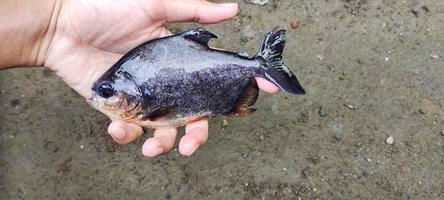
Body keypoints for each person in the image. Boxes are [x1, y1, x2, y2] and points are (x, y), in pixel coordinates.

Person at [0, 0, 280, 157]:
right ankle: (260, 65)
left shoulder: (146, 104)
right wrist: (53, 25)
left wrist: (54, 24)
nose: (98, 95)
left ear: (130, 94)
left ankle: (260, 65)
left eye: (107, 91)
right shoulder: (137, 86)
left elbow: (162, 113)